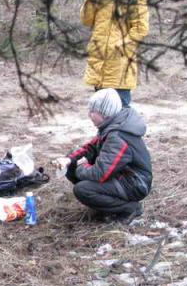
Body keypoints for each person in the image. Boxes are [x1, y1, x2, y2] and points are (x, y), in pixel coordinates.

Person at [53, 89, 152, 223]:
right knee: (72, 163)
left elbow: (100, 173)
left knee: (83, 190)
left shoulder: (118, 136)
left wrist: (81, 167)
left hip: (135, 183)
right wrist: (69, 160)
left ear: (104, 113)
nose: (89, 114)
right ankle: (105, 203)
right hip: (122, 174)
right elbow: (91, 147)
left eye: (92, 111)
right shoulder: (111, 124)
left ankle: (129, 208)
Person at [81, 0, 149, 108]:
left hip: (119, 66)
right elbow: (86, 20)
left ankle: (124, 134)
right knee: (100, 111)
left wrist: (118, 48)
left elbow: (140, 28)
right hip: (99, 62)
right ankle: (103, 135)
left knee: (120, 112)